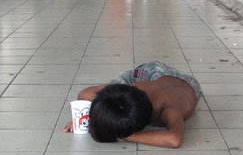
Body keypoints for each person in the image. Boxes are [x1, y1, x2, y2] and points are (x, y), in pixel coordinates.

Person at [64, 60, 201, 148]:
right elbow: (85, 94)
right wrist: (86, 116)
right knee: (103, 96)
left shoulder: (170, 108)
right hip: (153, 72)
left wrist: (124, 135)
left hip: (186, 84)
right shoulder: (134, 89)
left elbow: (174, 139)